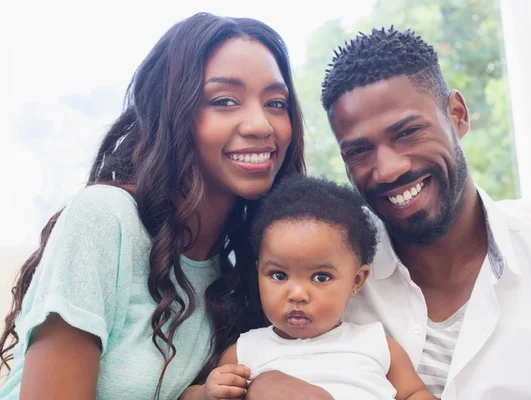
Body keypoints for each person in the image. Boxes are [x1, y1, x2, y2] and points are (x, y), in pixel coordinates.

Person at [245, 27, 531, 399]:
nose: (388, 169)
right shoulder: (308, 278)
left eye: (408, 132)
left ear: (458, 116)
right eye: (358, 151)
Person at [0, 12, 306, 400]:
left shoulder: (245, 273)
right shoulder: (105, 219)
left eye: (276, 103)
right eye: (224, 101)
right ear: (173, 114)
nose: (261, 125)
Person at [182, 175, 436, 400]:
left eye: (321, 277)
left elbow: (415, 392)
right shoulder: (245, 351)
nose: (297, 294)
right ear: (259, 272)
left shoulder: (376, 343)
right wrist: (205, 394)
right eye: (279, 275)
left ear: (357, 281)